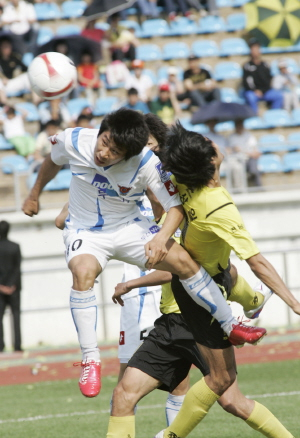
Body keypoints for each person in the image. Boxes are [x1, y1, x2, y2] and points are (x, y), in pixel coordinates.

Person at [22, 108, 266, 399]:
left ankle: (230, 323)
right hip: (85, 231)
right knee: (83, 272)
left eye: (115, 151)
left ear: (131, 153)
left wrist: (162, 238)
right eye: (105, 142)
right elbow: (52, 160)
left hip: (128, 227)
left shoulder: (147, 163)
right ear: (101, 131)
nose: (104, 152)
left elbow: (174, 207)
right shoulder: (74, 139)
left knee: (185, 261)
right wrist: (35, 193)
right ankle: (90, 358)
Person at [149, 122, 300, 437]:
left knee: (229, 394)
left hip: (205, 280)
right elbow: (257, 261)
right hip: (201, 291)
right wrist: (295, 304)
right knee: (222, 381)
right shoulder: (218, 205)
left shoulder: (179, 181)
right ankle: (170, 435)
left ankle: (254, 300)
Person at [107, 270, 294, 438]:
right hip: (170, 325)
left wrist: (129, 284)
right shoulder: (169, 234)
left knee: (232, 402)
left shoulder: (195, 236)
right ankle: (253, 301)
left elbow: (173, 270)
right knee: (123, 393)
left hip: (204, 325)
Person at [243, 38, 283, 115]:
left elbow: (269, 80)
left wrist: (263, 91)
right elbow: (246, 82)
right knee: (250, 97)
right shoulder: (247, 66)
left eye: (257, 48)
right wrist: (255, 90)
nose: (255, 51)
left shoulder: (265, 65)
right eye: (253, 49)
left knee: (279, 96)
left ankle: (274, 115)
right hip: (253, 92)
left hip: (265, 92)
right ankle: (254, 115)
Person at [0, 220, 22, 353]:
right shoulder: (15, 246)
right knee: (16, 316)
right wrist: (11, 285)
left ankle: (1, 346)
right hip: (14, 288)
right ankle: (17, 345)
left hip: (0, 289)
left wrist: (2, 286)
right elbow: (17, 268)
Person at [227, 119, 261, 188]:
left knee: (254, 167)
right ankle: (241, 189)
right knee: (238, 168)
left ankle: (258, 186)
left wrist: (249, 153)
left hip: (249, 159)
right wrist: (249, 153)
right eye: (238, 125)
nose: (239, 127)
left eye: (241, 125)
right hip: (238, 160)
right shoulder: (231, 137)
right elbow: (233, 150)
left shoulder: (249, 135)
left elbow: (256, 151)